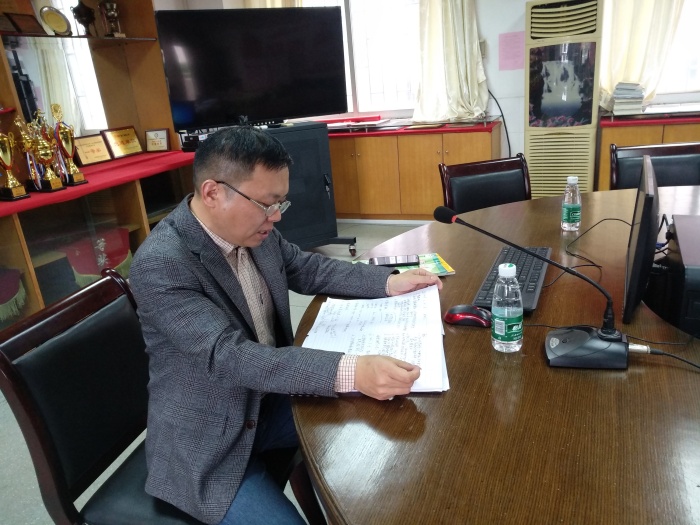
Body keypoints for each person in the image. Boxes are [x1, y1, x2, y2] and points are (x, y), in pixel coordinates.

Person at [129, 126, 442, 525]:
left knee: (389, 414)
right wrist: (352, 369)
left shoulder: (255, 231)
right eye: (266, 204)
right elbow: (230, 357)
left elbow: (307, 268)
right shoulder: (162, 263)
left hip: (270, 403)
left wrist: (387, 282)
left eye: (280, 202)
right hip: (209, 443)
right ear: (212, 193)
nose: (275, 217)